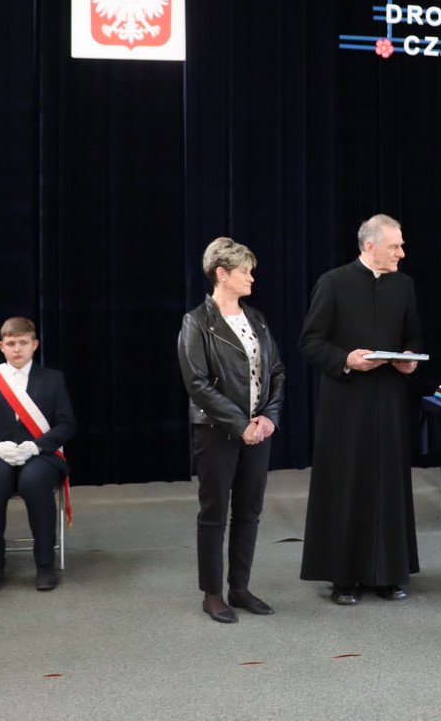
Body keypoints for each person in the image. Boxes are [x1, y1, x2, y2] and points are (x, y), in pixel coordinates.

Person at [299, 213, 424, 605]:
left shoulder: (403, 285)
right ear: (370, 246)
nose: (401, 253)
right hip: (347, 405)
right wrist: (346, 359)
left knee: (388, 485)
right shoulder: (333, 282)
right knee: (348, 484)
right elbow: (310, 342)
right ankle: (344, 577)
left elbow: (413, 336)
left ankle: (387, 574)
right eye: (395, 247)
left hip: (389, 402)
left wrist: (409, 358)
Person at [178, 238, 285, 624]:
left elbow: (276, 371)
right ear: (222, 274)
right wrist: (241, 425)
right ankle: (212, 594)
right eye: (245, 271)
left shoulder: (256, 318)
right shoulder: (196, 322)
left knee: (249, 511)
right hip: (216, 432)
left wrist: (268, 417)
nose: (252, 278)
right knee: (214, 513)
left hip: (258, 431)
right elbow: (197, 383)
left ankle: (239, 587)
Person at [0, 317, 75, 594]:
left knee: (34, 482)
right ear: (1, 346)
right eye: (11, 343)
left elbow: (66, 424)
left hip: (40, 454)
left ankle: (45, 563)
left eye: (23, 342)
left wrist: (36, 447)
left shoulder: (52, 379)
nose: (17, 349)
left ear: (34, 345)